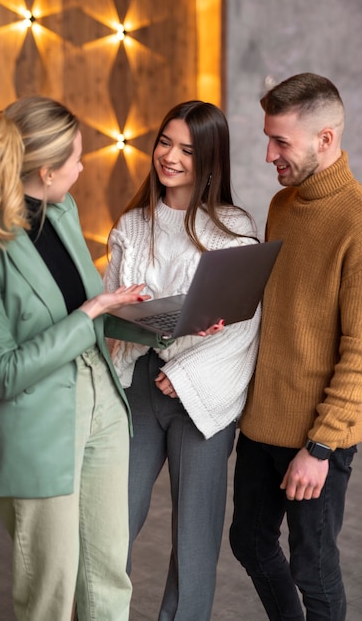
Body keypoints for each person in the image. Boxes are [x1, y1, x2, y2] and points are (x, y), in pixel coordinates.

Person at [229, 72, 362, 620]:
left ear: (325, 139)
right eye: (267, 138)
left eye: (281, 141)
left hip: (317, 437)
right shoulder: (284, 205)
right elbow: (282, 307)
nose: (268, 154)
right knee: (249, 543)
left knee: (314, 566)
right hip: (262, 424)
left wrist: (320, 448)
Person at [0, 100, 155, 621]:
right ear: (46, 170)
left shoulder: (61, 210)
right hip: (38, 427)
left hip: (102, 400)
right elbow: (0, 374)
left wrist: (165, 324)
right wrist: (93, 310)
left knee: (108, 574)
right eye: (77, 159)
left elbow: (88, 314)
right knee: (49, 592)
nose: (82, 168)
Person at [104, 100, 260, 621]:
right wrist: (125, 315)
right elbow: (110, 315)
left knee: (195, 538)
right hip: (138, 385)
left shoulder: (235, 229)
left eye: (188, 150)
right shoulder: (130, 225)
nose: (170, 156)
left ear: (210, 158)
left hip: (203, 393)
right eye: (166, 143)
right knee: (111, 519)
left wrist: (187, 370)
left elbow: (245, 327)